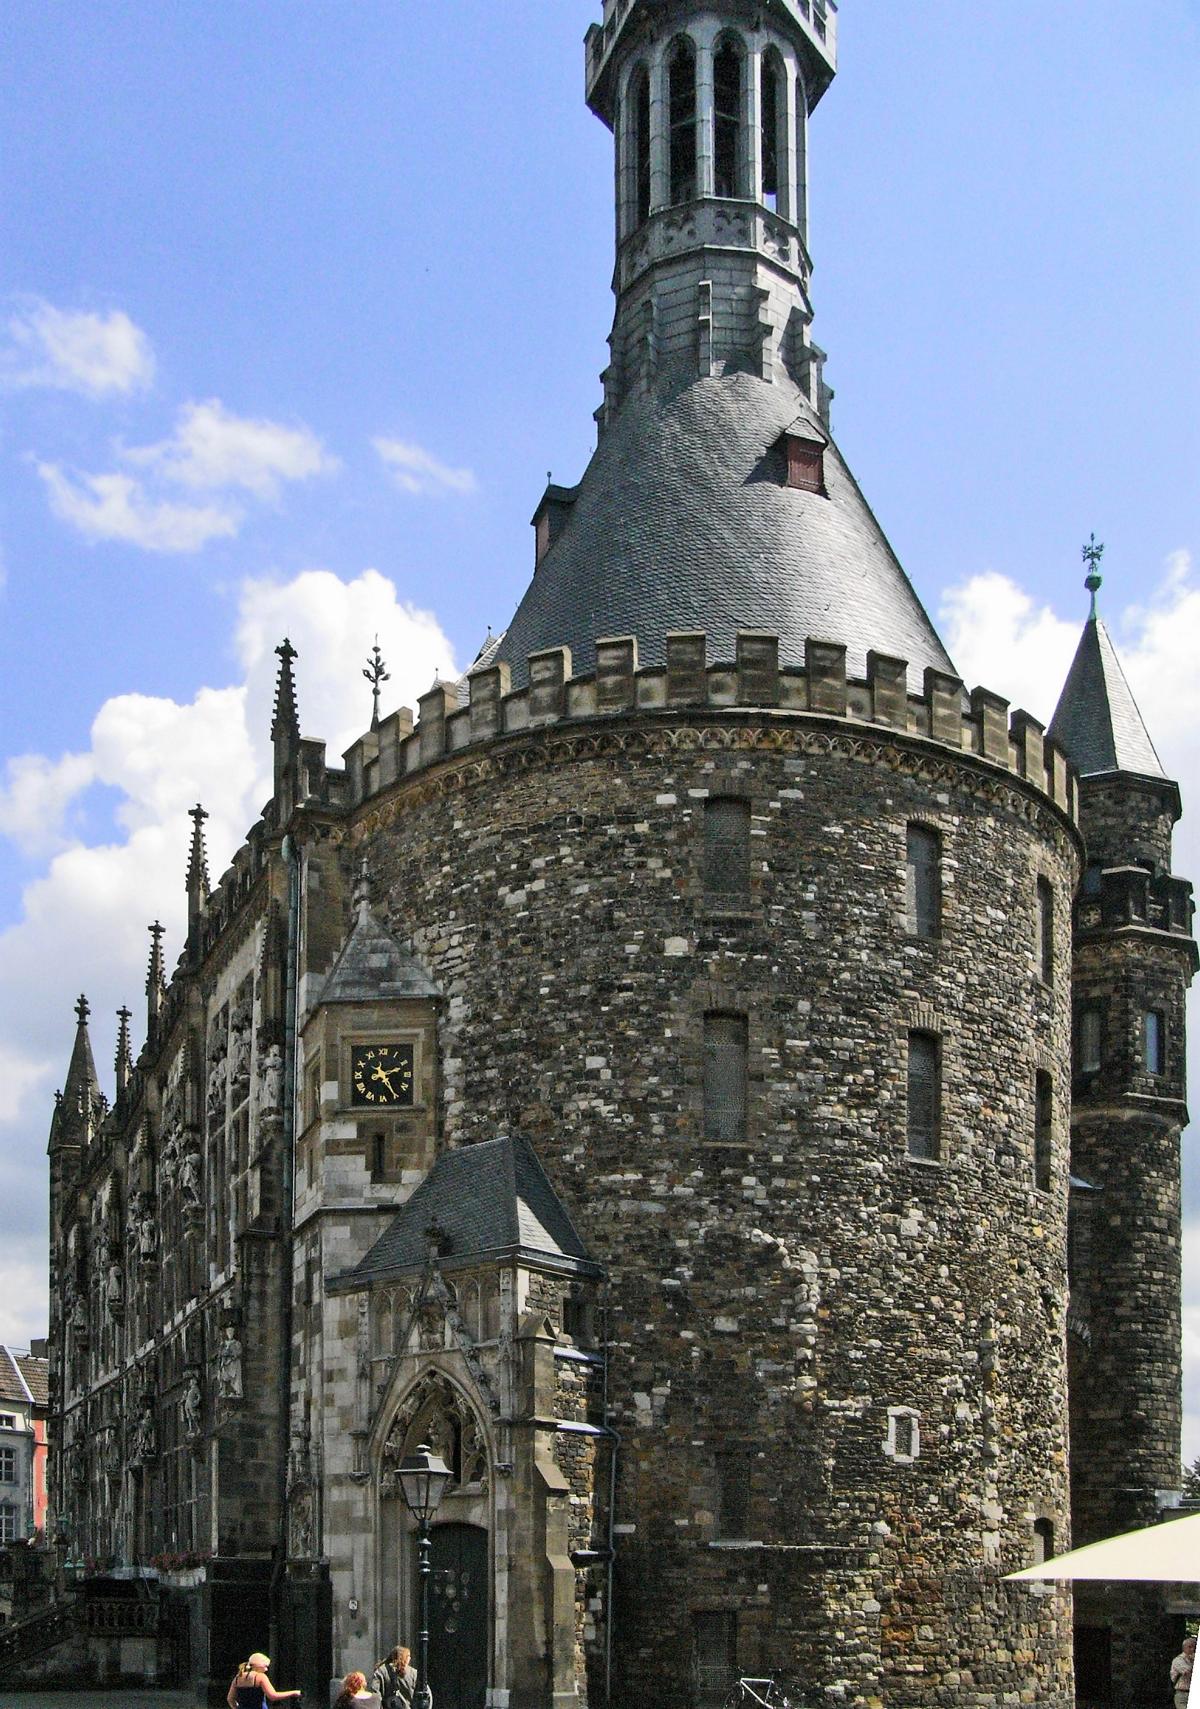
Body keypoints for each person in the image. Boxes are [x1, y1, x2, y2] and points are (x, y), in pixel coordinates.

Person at [226, 1651, 302, 1707]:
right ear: (258, 1665)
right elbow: (273, 1696)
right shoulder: (260, 1677)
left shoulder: (237, 1678)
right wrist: (294, 1693)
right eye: (265, 1666)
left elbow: (230, 1699)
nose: (266, 1669)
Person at [1172, 1636, 1196, 1709]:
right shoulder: (1178, 1660)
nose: (1192, 1649)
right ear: (1184, 1648)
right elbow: (1188, 1673)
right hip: (1182, 1695)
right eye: (1190, 1647)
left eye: (1194, 1647)